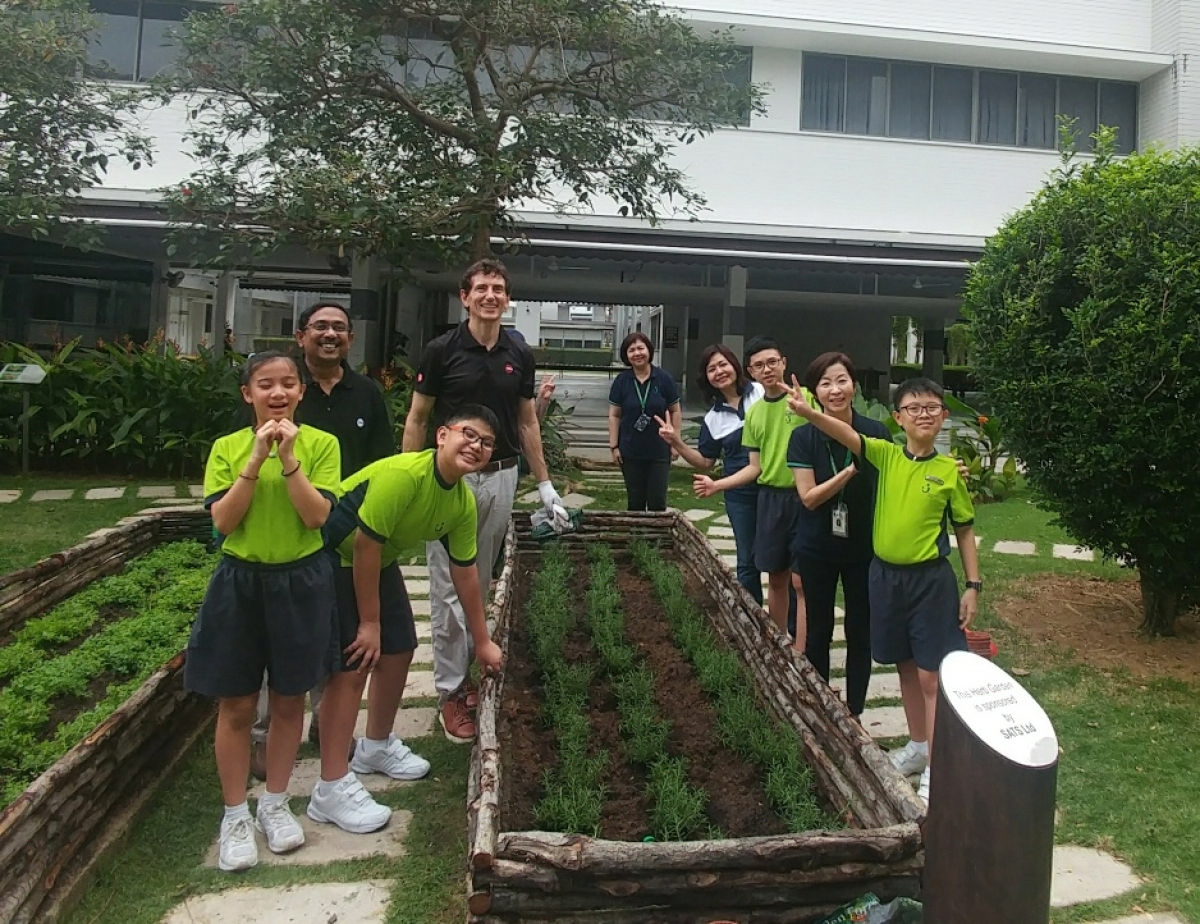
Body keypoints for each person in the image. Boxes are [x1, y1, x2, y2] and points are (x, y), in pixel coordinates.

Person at [307, 406, 506, 833]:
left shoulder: (461, 502)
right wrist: (369, 623)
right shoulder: (406, 475)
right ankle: (330, 786)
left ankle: (374, 746)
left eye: (486, 443)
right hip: (330, 557)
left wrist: (483, 640)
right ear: (441, 435)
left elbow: (466, 573)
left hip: (377, 561)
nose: (476, 446)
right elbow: (363, 545)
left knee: (399, 650)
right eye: (468, 435)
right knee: (356, 662)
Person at [785, 375, 980, 805]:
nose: (923, 414)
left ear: (944, 415)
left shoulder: (950, 472)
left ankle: (937, 766)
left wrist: (972, 586)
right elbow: (847, 433)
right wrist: (807, 413)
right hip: (886, 578)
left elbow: (964, 531)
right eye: (914, 408)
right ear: (898, 418)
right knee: (906, 667)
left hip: (930, 582)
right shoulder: (886, 455)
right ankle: (918, 746)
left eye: (932, 407)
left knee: (932, 677)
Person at [184, 351, 341, 871]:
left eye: (288, 384)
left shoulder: (322, 445)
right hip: (240, 583)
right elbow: (224, 524)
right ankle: (235, 814)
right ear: (247, 394)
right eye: (266, 385)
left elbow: (316, 516)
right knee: (236, 705)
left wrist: (289, 459)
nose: (278, 394)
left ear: (301, 392)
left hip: (301, 581)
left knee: (291, 700)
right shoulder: (227, 449)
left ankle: (274, 803)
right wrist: (255, 459)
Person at [403, 258, 564, 744]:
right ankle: (452, 691)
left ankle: (477, 672)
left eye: (498, 289)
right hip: (449, 481)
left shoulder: (518, 351)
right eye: (482, 289)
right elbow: (417, 417)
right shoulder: (441, 350)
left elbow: (527, 422)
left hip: (501, 476)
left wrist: (545, 484)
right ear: (465, 297)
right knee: (448, 585)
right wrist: (409, 480)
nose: (490, 296)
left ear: (507, 298)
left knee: (482, 580)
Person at [250, 301, 394, 780]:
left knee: (333, 633)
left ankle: (325, 726)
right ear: (301, 335)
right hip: (289, 526)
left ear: (350, 339)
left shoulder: (367, 393)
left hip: (349, 529)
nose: (329, 335)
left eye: (339, 328)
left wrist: (368, 523)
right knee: (282, 634)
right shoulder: (283, 392)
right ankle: (264, 737)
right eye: (320, 327)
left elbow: (381, 463)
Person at [786, 352, 889, 719]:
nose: (835, 390)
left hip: (865, 548)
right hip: (817, 548)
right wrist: (849, 473)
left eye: (841, 380)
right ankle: (823, 711)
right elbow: (809, 498)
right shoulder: (802, 438)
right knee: (819, 631)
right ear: (815, 393)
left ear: (854, 385)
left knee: (862, 632)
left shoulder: (876, 433)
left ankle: (855, 712)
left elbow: (902, 472)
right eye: (826, 383)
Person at [694, 336, 810, 643]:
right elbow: (720, 462)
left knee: (800, 575)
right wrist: (714, 482)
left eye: (772, 362)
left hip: (800, 493)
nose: (767, 369)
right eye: (712, 368)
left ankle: (802, 640)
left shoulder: (785, 396)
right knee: (762, 566)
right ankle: (765, 631)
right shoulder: (728, 416)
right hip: (755, 495)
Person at [654, 343, 764, 602]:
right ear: (707, 379)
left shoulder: (759, 392)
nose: (720, 371)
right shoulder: (713, 418)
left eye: (723, 364)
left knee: (783, 559)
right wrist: (676, 442)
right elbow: (705, 461)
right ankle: (757, 622)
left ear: (735, 366)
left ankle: (791, 627)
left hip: (775, 488)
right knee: (747, 562)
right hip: (740, 495)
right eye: (712, 369)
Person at [607, 332, 681, 511]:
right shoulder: (621, 381)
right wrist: (614, 446)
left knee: (657, 501)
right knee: (635, 501)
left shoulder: (664, 379)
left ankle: (657, 538)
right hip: (630, 450)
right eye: (631, 350)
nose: (637, 353)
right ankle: (637, 538)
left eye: (641, 348)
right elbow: (614, 415)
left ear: (649, 350)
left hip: (659, 450)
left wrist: (676, 443)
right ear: (626, 355)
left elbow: (675, 410)